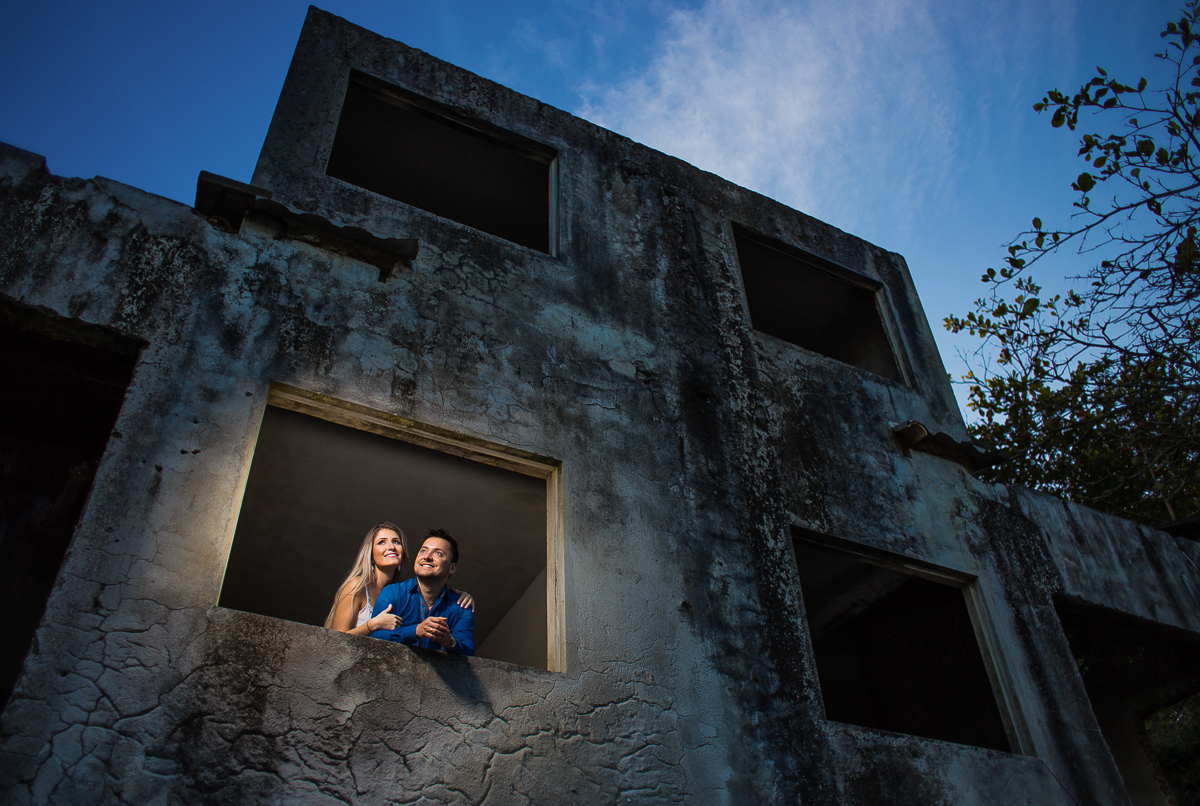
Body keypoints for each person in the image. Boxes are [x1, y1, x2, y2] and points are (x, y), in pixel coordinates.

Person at [324, 523, 473, 635]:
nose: (392, 547)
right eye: (382, 542)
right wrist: (372, 625)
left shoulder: (401, 593)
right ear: (370, 555)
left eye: (396, 542)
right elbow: (335, 639)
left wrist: (458, 597)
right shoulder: (357, 586)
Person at [370, 528, 474, 655]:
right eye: (423, 551)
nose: (427, 557)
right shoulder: (393, 593)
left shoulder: (461, 607)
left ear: (452, 568)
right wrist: (415, 631)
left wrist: (449, 641)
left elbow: (468, 652)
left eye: (438, 553)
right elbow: (374, 637)